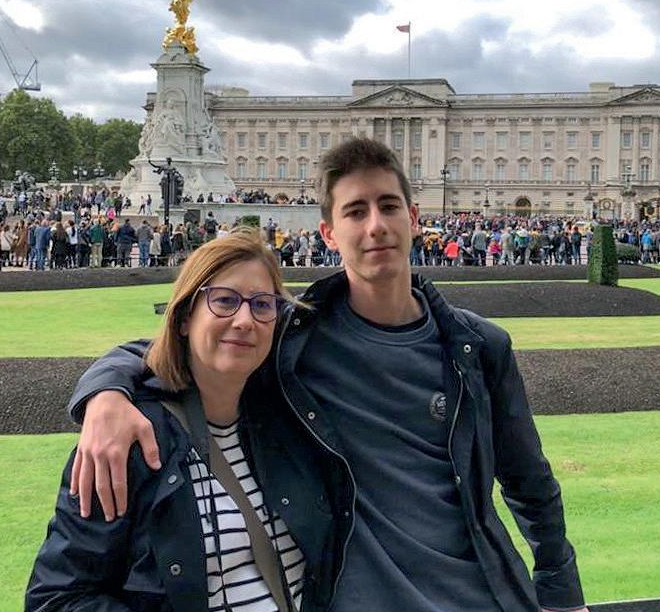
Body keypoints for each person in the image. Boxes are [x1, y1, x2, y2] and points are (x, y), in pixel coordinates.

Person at [67, 138, 586, 612]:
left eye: (388, 206)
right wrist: (106, 392)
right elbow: (194, 342)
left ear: (414, 217)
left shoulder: (482, 346)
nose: (376, 225)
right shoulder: (293, 337)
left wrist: (562, 594)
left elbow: (529, 482)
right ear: (329, 233)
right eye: (355, 212)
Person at [27, 230, 316, 611]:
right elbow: (57, 599)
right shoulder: (128, 440)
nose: (245, 320)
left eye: (262, 305)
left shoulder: (293, 419)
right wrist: (106, 389)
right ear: (184, 318)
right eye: (224, 300)